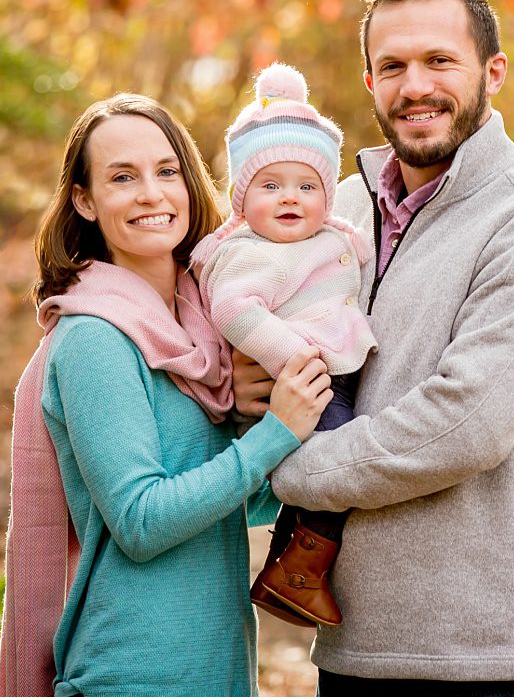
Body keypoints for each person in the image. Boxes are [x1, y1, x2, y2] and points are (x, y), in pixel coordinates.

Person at [236, 0, 514, 696]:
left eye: (440, 61)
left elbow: (462, 424)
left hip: (490, 651)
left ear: (492, 73)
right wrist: (256, 391)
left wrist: (279, 461)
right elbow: (276, 357)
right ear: (369, 80)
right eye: (394, 66)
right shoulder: (335, 212)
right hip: (353, 639)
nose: (416, 86)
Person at [0, 93, 333, 698]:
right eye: (123, 177)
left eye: (167, 171)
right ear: (86, 201)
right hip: (132, 674)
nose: (151, 193)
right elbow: (141, 521)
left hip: (218, 670)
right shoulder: (95, 337)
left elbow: (231, 511)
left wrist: (255, 431)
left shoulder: (202, 334)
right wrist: (273, 437)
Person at [189, 62, 378, 629]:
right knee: (339, 461)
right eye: (270, 187)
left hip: (324, 371)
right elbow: (233, 310)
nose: (290, 198)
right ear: (242, 201)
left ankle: (289, 569)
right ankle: (298, 571)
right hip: (304, 379)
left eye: (307, 186)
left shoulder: (330, 236)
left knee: (332, 466)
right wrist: (291, 361)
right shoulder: (251, 251)